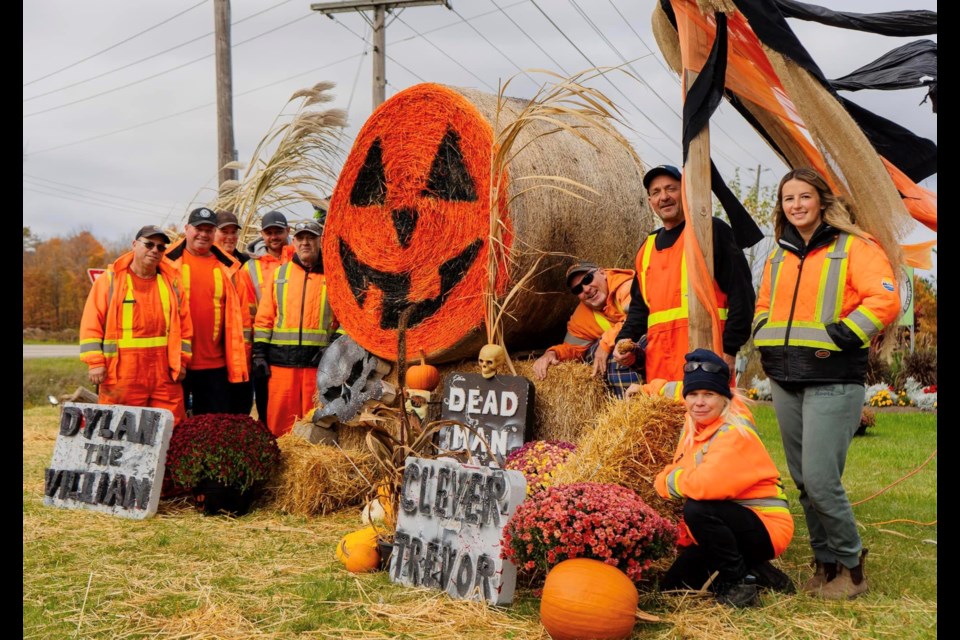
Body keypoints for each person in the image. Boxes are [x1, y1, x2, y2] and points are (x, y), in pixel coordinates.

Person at [753, 167, 901, 599]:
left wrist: (840, 336)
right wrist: (764, 333)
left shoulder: (854, 246)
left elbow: (885, 297)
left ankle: (853, 570)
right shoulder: (779, 254)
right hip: (784, 377)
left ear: (821, 201)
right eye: (788, 199)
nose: (796, 205)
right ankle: (826, 564)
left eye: (804, 197)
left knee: (821, 479)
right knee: (802, 479)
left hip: (833, 379)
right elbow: (764, 303)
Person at [655, 349, 795, 608]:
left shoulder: (733, 432)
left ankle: (739, 581)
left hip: (766, 526)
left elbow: (704, 486)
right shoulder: (696, 422)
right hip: (734, 524)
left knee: (698, 509)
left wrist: (665, 479)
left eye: (709, 394)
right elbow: (674, 391)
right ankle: (761, 573)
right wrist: (647, 389)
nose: (699, 402)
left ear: (724, 399)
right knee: (673, 587)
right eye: (693, 395)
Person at [613, 165, 755, 381]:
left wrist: (730, 348)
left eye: (671, 189)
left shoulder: (710, 231)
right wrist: (623, 341)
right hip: (659, 368)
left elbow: (742, 294)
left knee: (709, 416)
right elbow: (639, 310)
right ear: (650, 201)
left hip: (707, 360)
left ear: (685, 192)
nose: (664, 197)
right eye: (656, 192)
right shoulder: (647, 248)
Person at [79, 225, 193, 424]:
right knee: (119, 428)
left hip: (164, 374)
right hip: (123, 374)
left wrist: (182, 362)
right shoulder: (110, 281)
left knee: (170, 427)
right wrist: (95, 363)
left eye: (160, 247)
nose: (155, 250)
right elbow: (91, 323)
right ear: (134, 244)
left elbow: (184, 327)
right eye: (149, 244)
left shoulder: (171, 283)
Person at [253, 220, 340, 437]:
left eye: (311, 237)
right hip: (282, 367)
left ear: (320, 241)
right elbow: (264, 318)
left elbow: (346, 321)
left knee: (315, 426)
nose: (305, 243)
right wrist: (259, 354)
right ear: (294, 241)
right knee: (279, 426)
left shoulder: (334, 276)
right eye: (301, 238)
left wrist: (332, 350)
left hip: (317, 367)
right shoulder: (279, 275)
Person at [164, 207, 251, 415]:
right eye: (198, 228)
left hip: (215, 366)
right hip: (176, 365)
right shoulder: (165, 262)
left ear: (214, 234)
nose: (203, 234)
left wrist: (244, 360)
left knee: (213, 428)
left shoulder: (230, 268)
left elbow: (243, 321)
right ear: (186, 229)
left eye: (209, 230)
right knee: (175, 428)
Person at [532, 261, 640, 398]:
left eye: (588, 279)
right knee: (594, 355)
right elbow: (572, 348)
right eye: (578, 289)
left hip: (657, 347)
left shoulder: (626, 286)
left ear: (602, 272)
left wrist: (605, 344)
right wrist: (552, 354)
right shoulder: (582, 315)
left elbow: (639, 318)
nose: (586, 290)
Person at [243, 210, 295, 421]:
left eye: (278, 231)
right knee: (267, 408)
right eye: (269, 232)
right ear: (262, 235)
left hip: (293, 347)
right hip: (264, 348)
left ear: (288, 231)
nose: (274, 237)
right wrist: (255, 353)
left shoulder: (300, 259)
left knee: (292, 408)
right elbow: (247, 313)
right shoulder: (250, 268)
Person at [215, 210, 256, 415]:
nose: (230, 237)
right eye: (225, 231)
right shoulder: (207, 263)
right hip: (215, 358)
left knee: (241, 412)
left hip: (243, 358)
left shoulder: (247, 264)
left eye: (234, 232)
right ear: (213, 232)